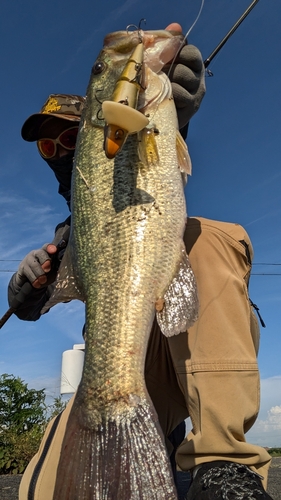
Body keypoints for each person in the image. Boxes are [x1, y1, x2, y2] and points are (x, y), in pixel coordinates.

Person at [9, 25, 273, 500]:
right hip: (119, 363)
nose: (59, 153)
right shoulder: (68, 233)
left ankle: (223, 464)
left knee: (204, 237)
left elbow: (148, 163)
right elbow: (43, 296)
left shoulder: (138, 139)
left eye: (68, 138)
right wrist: (25, 293)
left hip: (194, 346)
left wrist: (175, 110)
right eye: (47, 148)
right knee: (40, 486)